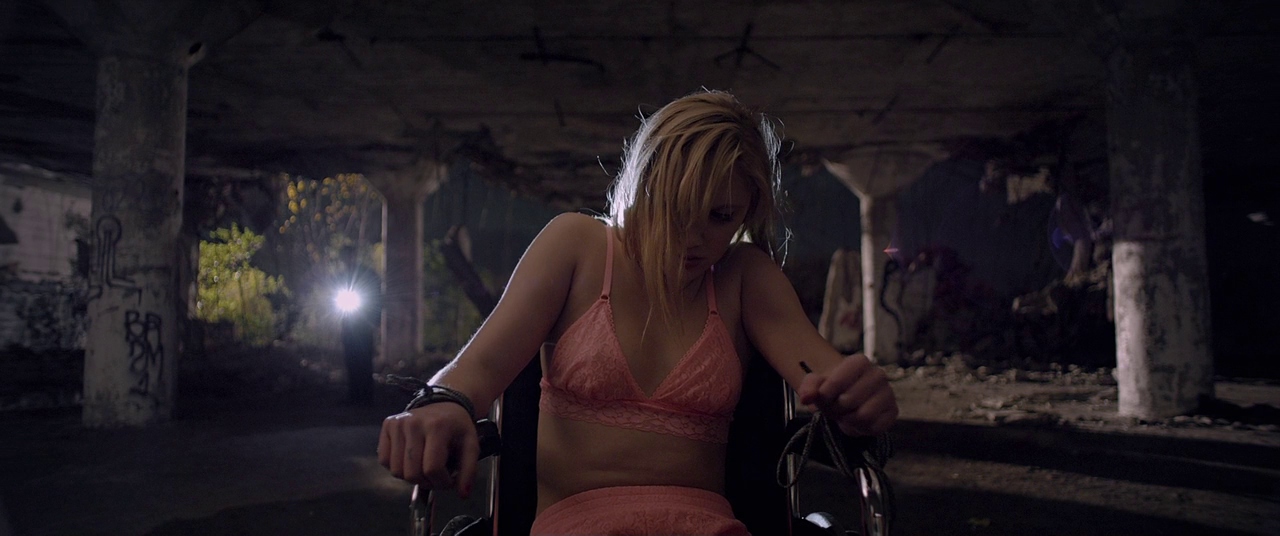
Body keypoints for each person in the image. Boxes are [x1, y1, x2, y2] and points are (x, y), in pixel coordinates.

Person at [377, 90, 898, 535]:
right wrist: (440, 403)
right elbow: (475, 369)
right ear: (643, 184)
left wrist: (861, 402)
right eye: (675, 208)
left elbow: (827, 376)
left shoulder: (744, 276)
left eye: (720, 216)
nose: (693, 238)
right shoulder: (577, 246)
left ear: (748, 209)